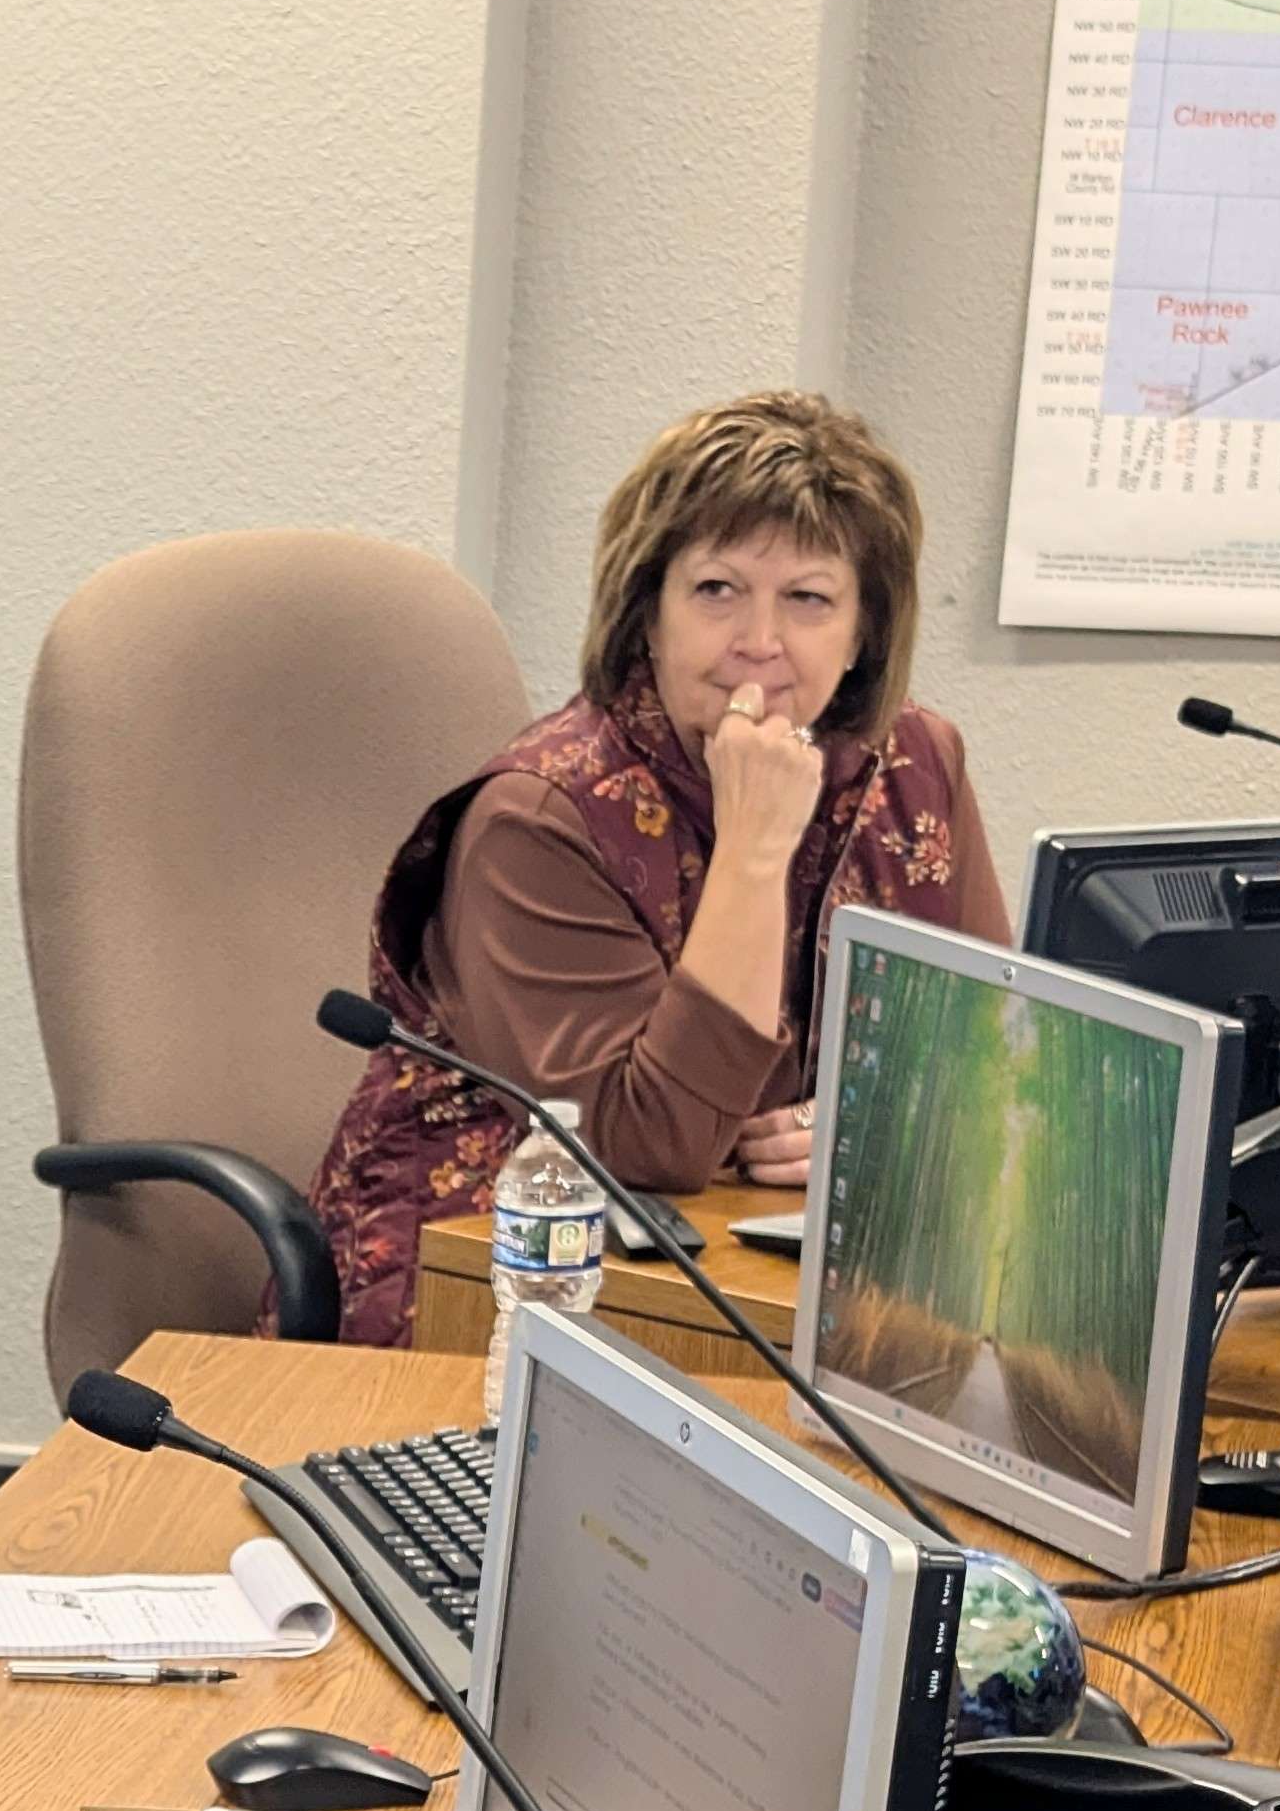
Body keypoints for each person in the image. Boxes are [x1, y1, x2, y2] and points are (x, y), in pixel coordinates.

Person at [306, 388, 1002, 1341]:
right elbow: (643, 1144)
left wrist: (870, 1138)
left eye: (807, 599)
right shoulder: (542, 816)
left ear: (864, 633)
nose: (759, 642)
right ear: (649, 615)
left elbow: (988, 1064)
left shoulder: (917, 763)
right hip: (492, 1270)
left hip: (762, 1269)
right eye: (716, 590)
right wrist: (755, 851)